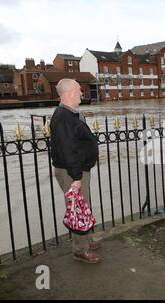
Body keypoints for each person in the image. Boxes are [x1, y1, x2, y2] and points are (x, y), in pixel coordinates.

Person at [50, 78, 102, 264]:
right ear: (69, 92)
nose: (82, 93)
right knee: (77, 208)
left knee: (82, 206)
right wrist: (77, 177)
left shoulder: (70, 114)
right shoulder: (64, 117)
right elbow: (67, 149)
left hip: (76, 170)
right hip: (72, 172)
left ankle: (85, 239)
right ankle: (80, 250)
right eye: (79, 90)